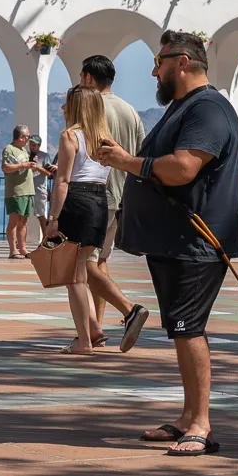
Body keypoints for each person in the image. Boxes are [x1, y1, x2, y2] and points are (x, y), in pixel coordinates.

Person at [96, 30, 238, 457]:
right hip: (174, 244)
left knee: (188, 329)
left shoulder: (209, 109)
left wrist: (125, 161)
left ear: (181, 62)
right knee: (180, 330)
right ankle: (187, 417)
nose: (154, 72)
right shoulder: (184, 108)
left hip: (195, 243)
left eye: (158, 63)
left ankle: (200, 424)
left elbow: (182, 169)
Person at [79, 55, 150, 349]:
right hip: (122, 195)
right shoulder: (131, 111)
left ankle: (128, 309)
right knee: (100, 260)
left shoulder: (90, 107)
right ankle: (95, 328)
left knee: (80, 264)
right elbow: (141, 150)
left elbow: (79, 150)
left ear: (88, 78)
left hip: (93, 194)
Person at [45, 86, 111, 355]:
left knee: (74, 278)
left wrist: (53, 219)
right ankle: (91, 332)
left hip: (78, 201)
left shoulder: (69, 136)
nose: (63, 108)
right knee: (82, 272)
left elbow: (62, 180)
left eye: (66, 104)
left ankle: (83, 341)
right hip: (99, 202)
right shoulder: (105, 139)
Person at [1, 126, 34, 259]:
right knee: (14, 221)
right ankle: (13, 250)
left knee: (23, 221)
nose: (28, 139)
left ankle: (23, 248)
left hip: (27, 190)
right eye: (27, 137)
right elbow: (5, 167)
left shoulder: (23, 150)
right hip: (16, 191)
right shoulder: (9, 149)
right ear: (21, 137)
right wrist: (22, 166)